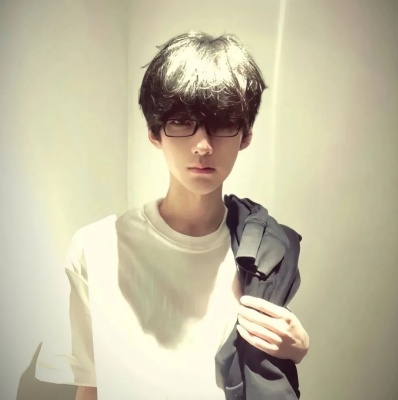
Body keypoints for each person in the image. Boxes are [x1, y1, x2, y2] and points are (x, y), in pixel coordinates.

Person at [35, 31, 309, 400]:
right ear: (154, 132)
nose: (203, 145)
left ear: (245, 136)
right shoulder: (96, 248)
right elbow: (91, 387)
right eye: (181, 121)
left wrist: (295, 351)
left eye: (223, 123)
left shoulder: (261, 251)